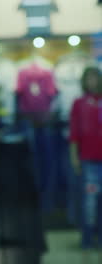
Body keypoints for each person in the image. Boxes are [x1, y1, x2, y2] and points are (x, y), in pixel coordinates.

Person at [69, 66, 102, 248]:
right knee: (89, 201)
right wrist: (74, 157)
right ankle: (87, 237)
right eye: (88, 78)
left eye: (95, 78)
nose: (92, 82)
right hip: (88, 160)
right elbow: (74, 134)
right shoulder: (79, 103)